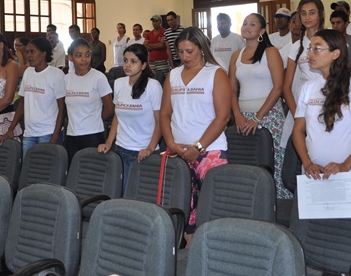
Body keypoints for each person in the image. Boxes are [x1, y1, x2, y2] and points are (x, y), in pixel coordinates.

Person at [159, 27, 231, 247]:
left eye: (189, 51)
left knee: (211, 202)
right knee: (184, 201)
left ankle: (214, 246)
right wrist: (171, 143)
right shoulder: (173, 75)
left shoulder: (215, 73)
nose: (185, 57)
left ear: (201, 48)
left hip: (210, 150)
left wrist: (198, 147)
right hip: (178, 149)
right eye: (180, 52)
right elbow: (165, 114)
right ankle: (189, 244)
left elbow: (223, 117)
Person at [292, 30, 351, 179]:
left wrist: (345, 165)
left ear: (335, 53)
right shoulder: (308, 87)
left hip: (350, 173)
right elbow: (298, 130)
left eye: (317, 48)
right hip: (314, 175)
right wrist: (307, 164)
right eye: (309, 48)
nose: (310, 54)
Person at [229, 14, 287, 197]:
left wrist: (257, 117)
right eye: (245, 23)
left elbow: (278, 87)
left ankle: (277, 203)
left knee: (272, 162)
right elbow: (231, 90)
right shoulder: (236, 56)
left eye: (252, 24)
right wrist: (237, 114)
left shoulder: (271, 52)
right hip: (243, 117)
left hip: (268, 115)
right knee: (248, 163)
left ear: (262, 31)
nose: (247, 26)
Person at [99, 44, 162, 193]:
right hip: (120, 149)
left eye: (133, 61)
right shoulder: (119, 83)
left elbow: (160, 122)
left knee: (132, 196)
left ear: (143, 65)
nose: (128, 65)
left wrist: (150, 148)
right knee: (117, 193)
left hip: (143, 152)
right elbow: (117, 117)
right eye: (125, 60)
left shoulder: (153, 86)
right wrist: (109, 142)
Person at [0, 38, 66, 158]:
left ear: (43, 53)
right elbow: (22, 103)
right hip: (29, 134)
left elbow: (62, 108)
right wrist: (10, 129)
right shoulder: (28, 72)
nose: (28, 55)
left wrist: (55, 137)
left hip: (48, 133)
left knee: (46, 168)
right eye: (27, 52)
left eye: (32, 52)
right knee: (28, 167)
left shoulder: (56, 74)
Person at [281, 0, 326, 146]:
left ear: (321, 14)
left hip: (328, 99)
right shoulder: (296, 46)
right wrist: (298, 115)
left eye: (312, 13)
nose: (307, 17)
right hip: (302, 102)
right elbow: (286, 87)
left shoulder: (333, 39)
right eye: (303, 13)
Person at [64, 38, 114, 161]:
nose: (84, 59)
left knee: (91, 169)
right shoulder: (66, 79)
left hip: (93, 135)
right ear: (70, 57)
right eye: (78, 55)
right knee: (73, 169)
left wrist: (95, 120)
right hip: (71, 135)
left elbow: (109, 108)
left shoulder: (98, 77)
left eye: (87, 55)